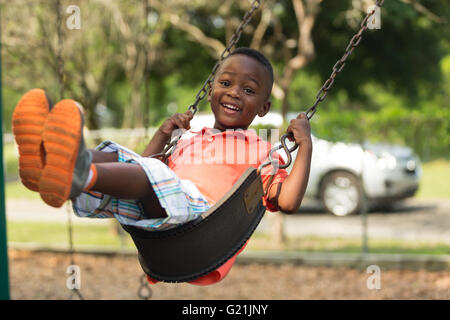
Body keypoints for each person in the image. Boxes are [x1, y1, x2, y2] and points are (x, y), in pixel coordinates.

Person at [12, 47, 312, 285]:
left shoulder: (260, 149)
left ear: (263, 107)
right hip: (158, 218)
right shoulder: (189, 138)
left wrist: (305, 147)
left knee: (151, 176)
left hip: (201, 223)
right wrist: (163, 134)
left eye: (249, 90)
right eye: (225, 83)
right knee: (121, 158)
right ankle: (50, 165)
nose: (234, 92)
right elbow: (141, 167)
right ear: (210, 91)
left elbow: (286, 200)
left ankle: (78, 170)